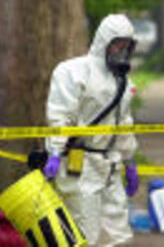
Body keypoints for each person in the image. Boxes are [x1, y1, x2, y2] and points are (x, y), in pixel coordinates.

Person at [43, 14, 140, 246]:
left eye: (126, 46)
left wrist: (129, 160)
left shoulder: (123, 82)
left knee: (117, 234)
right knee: (85, 232)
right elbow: (60, 115)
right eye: (118, 44)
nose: (122, 51)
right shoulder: (73, 72)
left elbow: (123, 124)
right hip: (79, 165)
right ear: (104, 42)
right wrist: (55, 152)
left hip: (109, 165)